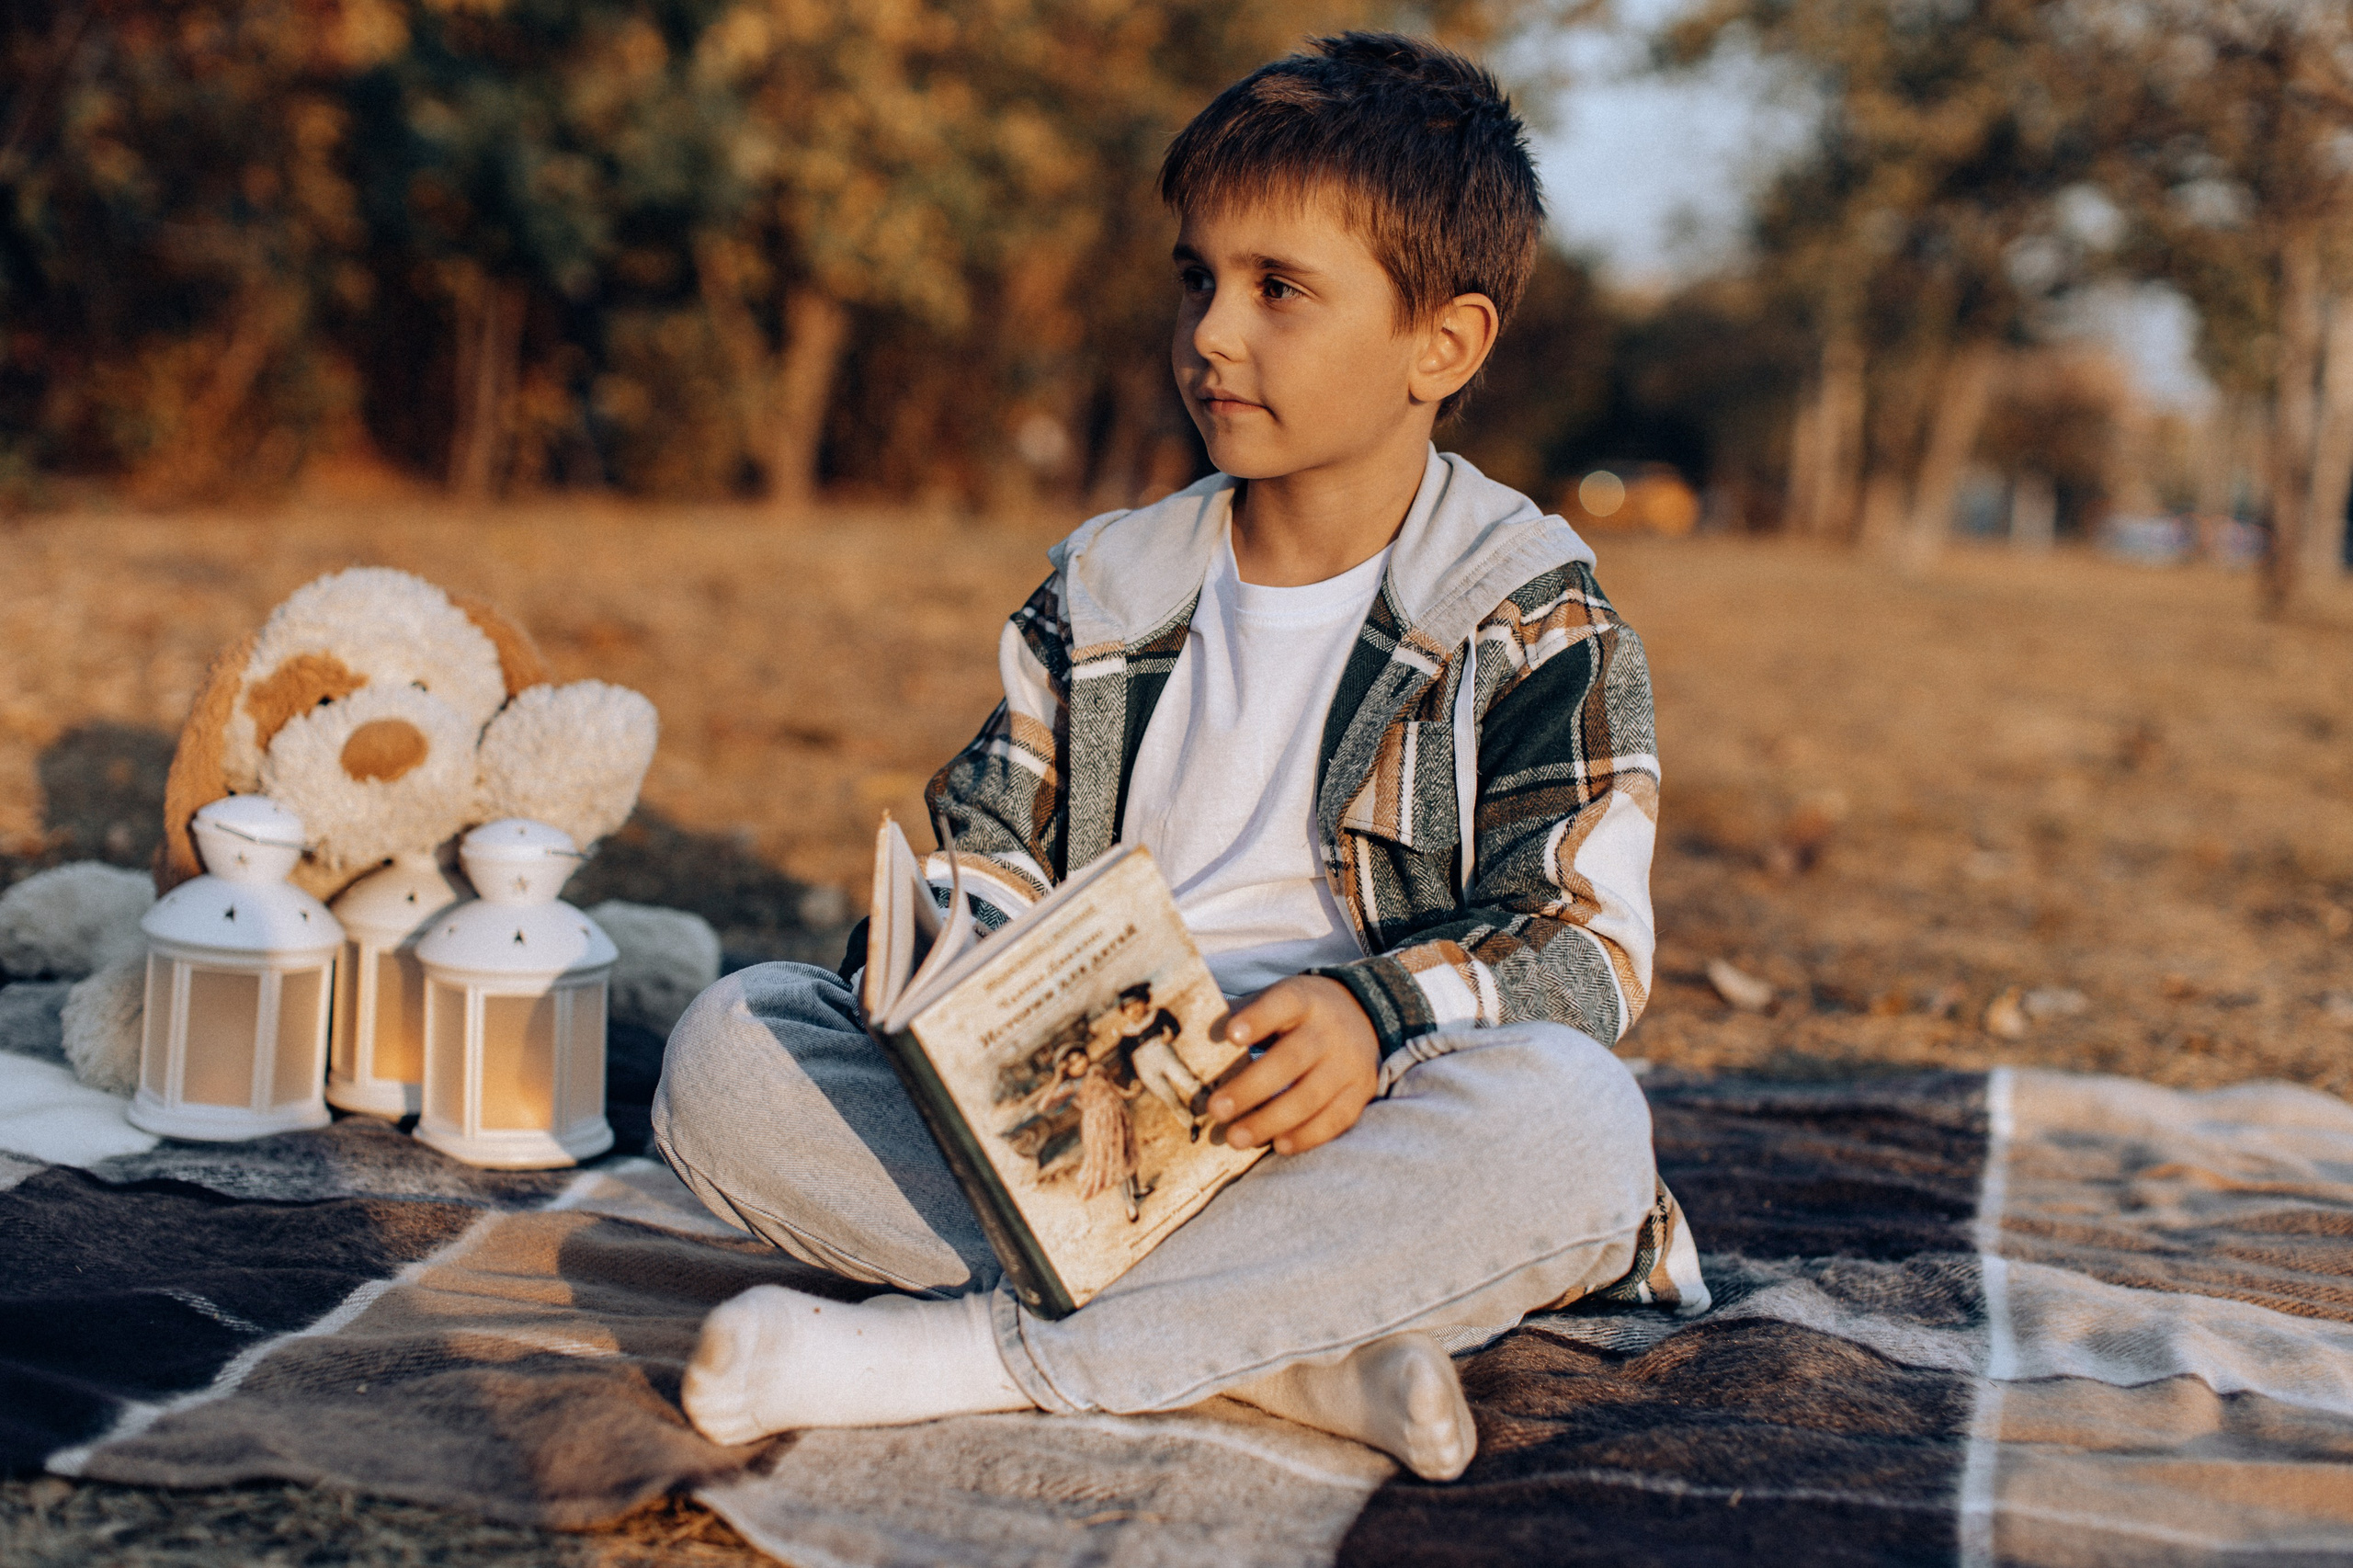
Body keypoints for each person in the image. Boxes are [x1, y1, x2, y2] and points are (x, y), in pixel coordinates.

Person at [652, 31, 1708, 1483]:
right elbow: (988, 848)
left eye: (1279, 289)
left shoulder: (1528, 610)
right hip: (1085, 1141)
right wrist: (963, 969)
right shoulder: (1105, 590)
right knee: (731, 1049)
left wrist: (1371, 1016)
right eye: (1198, 278)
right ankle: (1289, 1352)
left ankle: (970, 1356)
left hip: (1365, 1129)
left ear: (1443, 345)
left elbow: (1586, 947)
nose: (1214, 330)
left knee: (1576, 1125)